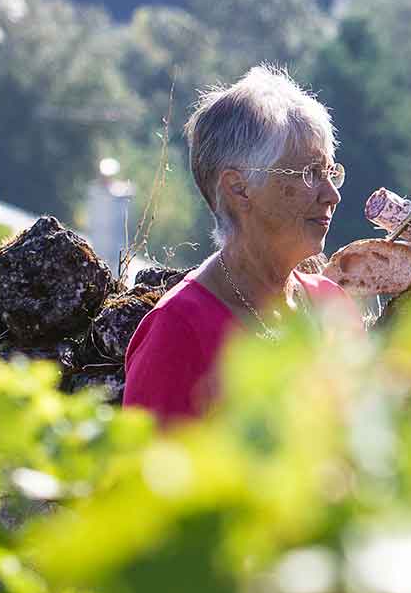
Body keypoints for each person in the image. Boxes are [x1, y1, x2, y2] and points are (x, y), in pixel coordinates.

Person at [124, 66, 361, 425]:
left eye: (331, 172)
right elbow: (144, 477)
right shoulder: (178, 330)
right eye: (311, 174)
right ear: (239, 188)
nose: (332, 195)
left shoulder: (332, 305)